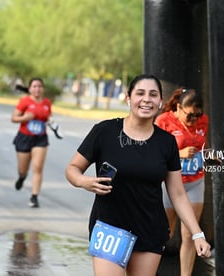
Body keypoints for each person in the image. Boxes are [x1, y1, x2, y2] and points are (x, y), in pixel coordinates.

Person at [65, 74, 211, 276]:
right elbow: (72, 168)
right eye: (140, 93)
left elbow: (177, 194)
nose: (146, 99)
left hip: (150, 229)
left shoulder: (166, 142)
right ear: (128, 98)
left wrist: (197, 234)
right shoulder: (104, 131)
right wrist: (84, 181)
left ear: (160, 102)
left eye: (153, 94)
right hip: (110, 226)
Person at [155, 87, 209, 276]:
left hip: (195, 181)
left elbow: (204, 145)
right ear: (179, 107)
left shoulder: (203, 120)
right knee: (165, 233)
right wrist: (179, 154)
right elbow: (154, 153)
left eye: (198, 115)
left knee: (190, 234)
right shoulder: (163, 122)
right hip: (171, 183)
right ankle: (148, 269)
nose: (194, 120)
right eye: (190, 116)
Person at [11, 77, 55, 208]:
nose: (37, 89)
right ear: (30, 89)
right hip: (24, 138)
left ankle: (34, 196)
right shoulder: (24, 101)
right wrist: (25, 117)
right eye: (34, 86)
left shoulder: (47, 102)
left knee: (37, 167)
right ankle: (22, 177)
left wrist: (51, 122)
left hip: (40, 138)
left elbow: (48, 117)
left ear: (43, 89)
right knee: (23, 169)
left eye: (39, 86)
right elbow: (13, 118)